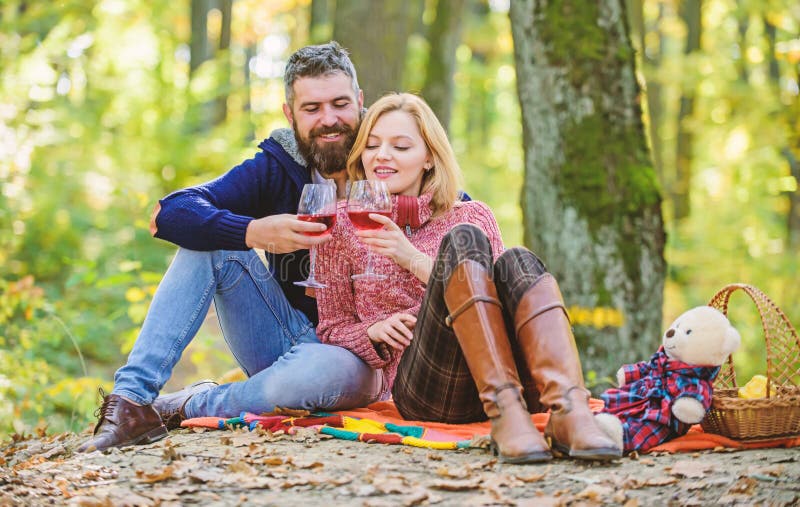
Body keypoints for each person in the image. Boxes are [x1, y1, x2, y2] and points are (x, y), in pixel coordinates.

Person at [78, 42, 386, 452]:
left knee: (322, 373)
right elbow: (171, 213)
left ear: (360, 102)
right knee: (208, 243)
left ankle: (190, 403)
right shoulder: (278, 165)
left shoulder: (391, 155)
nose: (329, 120)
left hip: (357, 356)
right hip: (286, 337)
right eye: (312, 108)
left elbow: (454, 218)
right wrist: (253, 233)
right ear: (289, 114)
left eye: (340, 104)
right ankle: (133, 401)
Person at [315, 93, 621, 463]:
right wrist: (371, 332)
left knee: (515, 259)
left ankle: (569, 410)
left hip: (515, 381)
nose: (382, 155)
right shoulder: (342, 225)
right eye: (372, 145)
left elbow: (499, 303)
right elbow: (331, 327)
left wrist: (411, 258)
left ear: (429, 157)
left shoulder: (473, 215)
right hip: (430, 387)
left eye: (400, 146)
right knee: (464, 242)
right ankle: (506, 413)